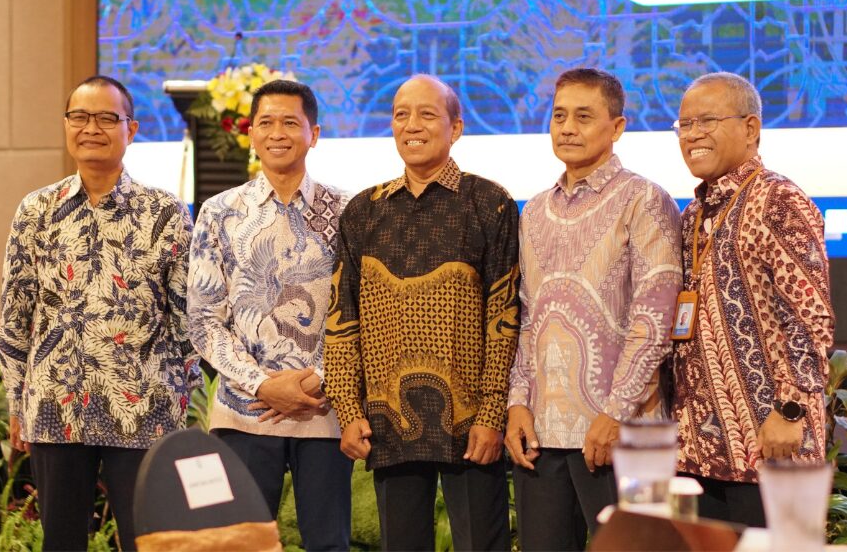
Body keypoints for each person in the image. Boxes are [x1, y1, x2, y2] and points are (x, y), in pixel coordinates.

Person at [0, 76, 196, 552]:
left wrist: (183, 397)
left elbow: (187, 316)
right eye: (80, 117)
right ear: (66, 125)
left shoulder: (164, 212)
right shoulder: (36, 210)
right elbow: (15, 312)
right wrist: (17, 400)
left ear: (132, 128)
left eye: (107, 118)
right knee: (62, 541)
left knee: (148, 541)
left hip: (145, 408)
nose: (91, 128)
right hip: (55, 406)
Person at [323, 76, 519, 552]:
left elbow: (505, 318)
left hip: (472, 424)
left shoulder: (488, 202)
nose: (411, 125)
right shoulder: (363, 211)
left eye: (427, 114)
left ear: (456, 128)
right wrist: (347, 410)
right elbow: (341, 320)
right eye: (400, 114)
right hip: (389, 423)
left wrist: (492, 412)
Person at [506, 67, 681, 550]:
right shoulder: (534, 210)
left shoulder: (643, 199)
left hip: (626, 434)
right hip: (543, 435)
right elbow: (527, 317)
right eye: (559, 116)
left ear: (617, 126)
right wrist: (517, 403)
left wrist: (616, 412)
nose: (567, 128)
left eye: (583, 117)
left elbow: (655, 319)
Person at [188, 78, 352, 552]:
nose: (277, 133)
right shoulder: (219, 213)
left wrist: (318, 378)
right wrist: (262, 384)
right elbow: (203, 320)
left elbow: (359, 311)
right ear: (251, 134)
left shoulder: (348, 211)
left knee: (329, 544)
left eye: (290, 123)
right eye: (266, 123)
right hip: (244, 411)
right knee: (241, 545)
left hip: (324, 410)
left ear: (313, 134)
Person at [671, 74, 834, 527]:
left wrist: (790, 410)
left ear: (751, 128)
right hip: (701, 452)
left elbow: (810, 317)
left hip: (771, 445)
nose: (693, 135)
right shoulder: (693, 214)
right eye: (684, 125)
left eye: (707, 121)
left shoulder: (778, 199)